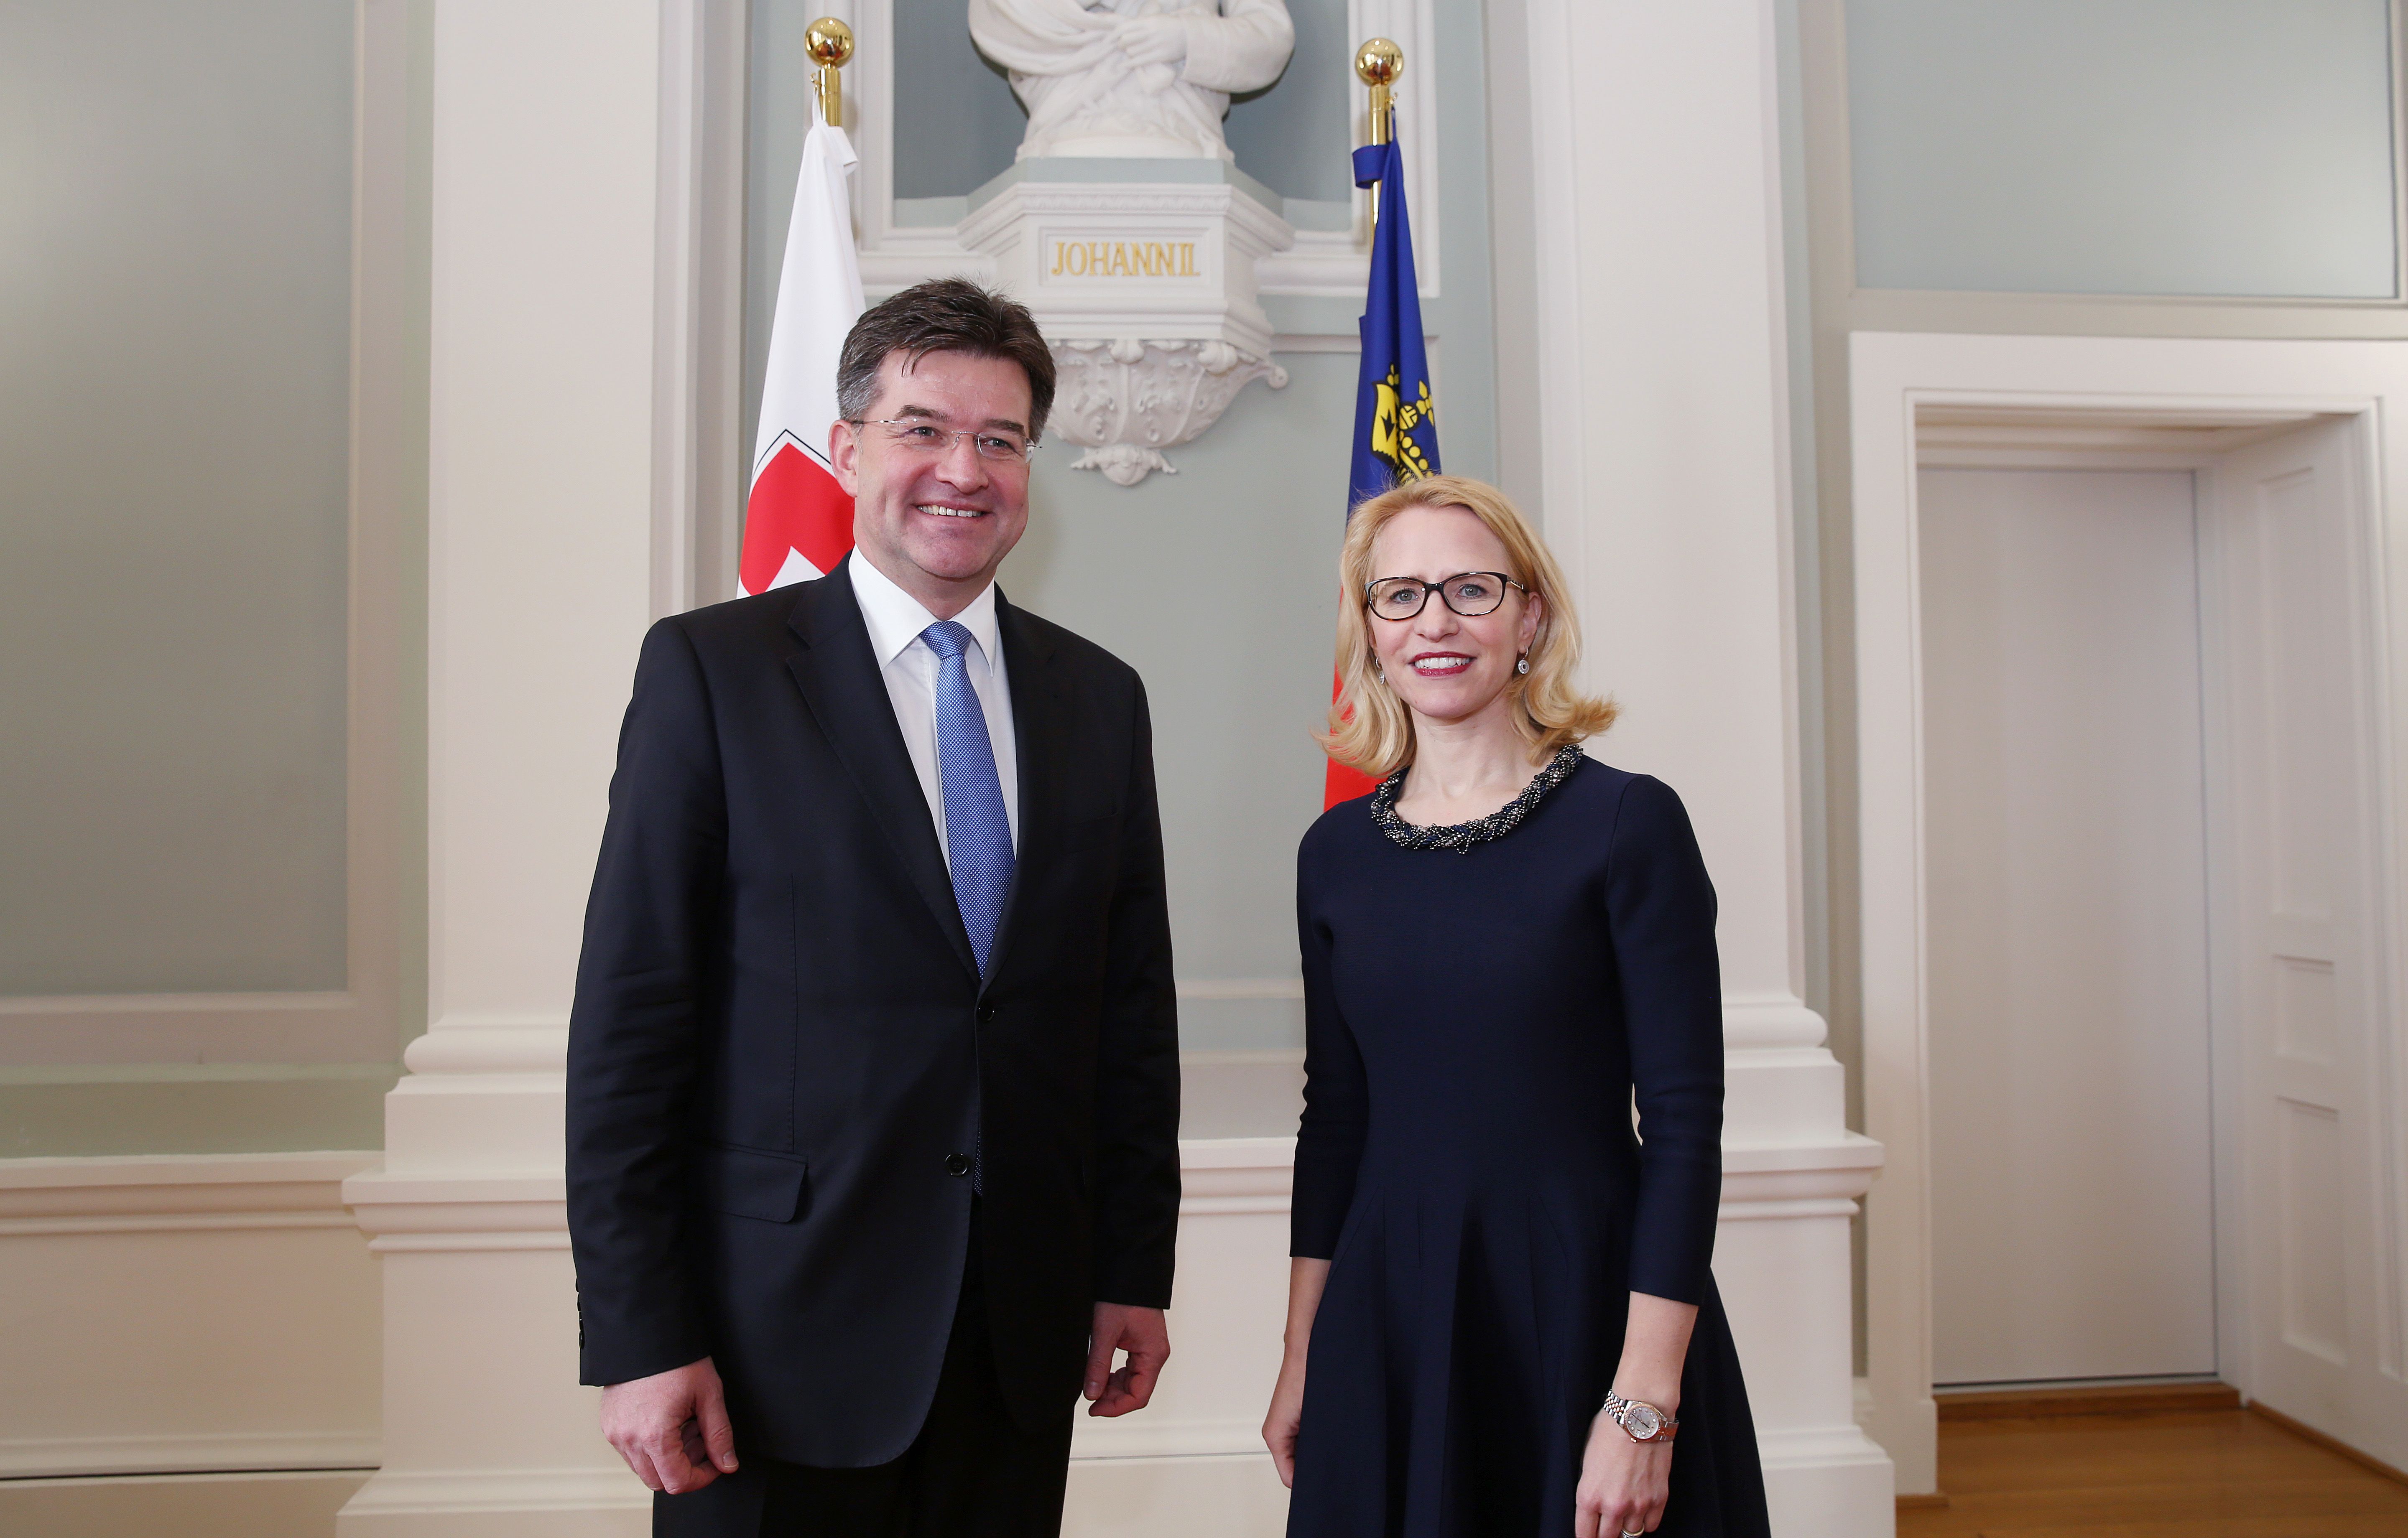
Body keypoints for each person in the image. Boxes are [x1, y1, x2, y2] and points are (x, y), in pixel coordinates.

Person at [567, 279, 1183, 1538]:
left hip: (1017, 1336)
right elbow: (631, 1027)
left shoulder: (1098, 698)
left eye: (1000, 439)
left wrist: (1131, 1267)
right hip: (769, 1341)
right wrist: (640, 1333)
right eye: (922, 429)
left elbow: (1128, 1017)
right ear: (847, 450)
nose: (963, 469)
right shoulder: (714, 674)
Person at [1261, 476, 1771, 1538]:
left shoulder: (1627, 823)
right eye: (1400, 594)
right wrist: (1302, 1354)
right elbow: (1335, 1119)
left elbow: (1684, 1127)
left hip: (1585, 1306)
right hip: (1387, 1316)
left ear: (1529, 616)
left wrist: (1642, 1405)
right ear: (1369, 629)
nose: (1434, 621)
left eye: (1471, 589)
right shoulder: (1334, 854)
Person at [969, 0, 1295, 160]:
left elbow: (1271, 37)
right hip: (1065, 125)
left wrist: (1185, 38)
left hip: (1182, 131)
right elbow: (999, 13)